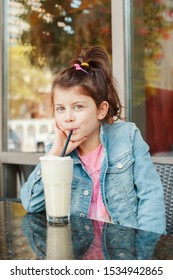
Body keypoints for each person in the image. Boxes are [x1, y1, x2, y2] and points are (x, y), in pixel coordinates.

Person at [21, 46, 166, 234]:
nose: (68, 117)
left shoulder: (128, 138)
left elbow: (151, 196)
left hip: (123, 252)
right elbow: (31, 204)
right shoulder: (56, 152)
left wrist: (146, 251)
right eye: (60, 109)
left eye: (78, 107)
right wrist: (55, 154)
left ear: (101, 110)